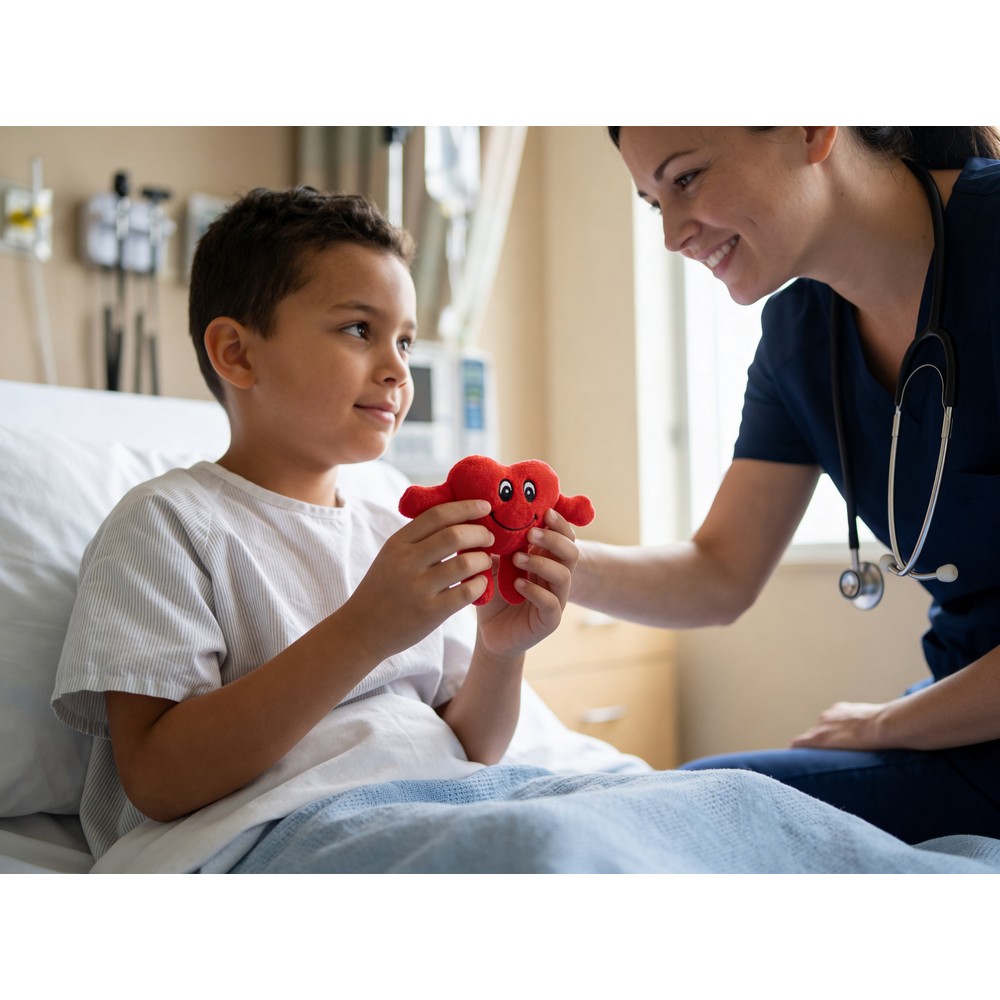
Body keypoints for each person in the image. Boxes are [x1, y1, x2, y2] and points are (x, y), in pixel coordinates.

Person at [51, 187, 580, 862]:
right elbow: (158, 779)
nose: (397, 370)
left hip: (443, 802)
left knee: (675, 808)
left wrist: (500, 653)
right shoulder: (166, 526)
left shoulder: (392, 530)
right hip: (282, 835)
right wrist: (364, 631)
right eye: (359, 329)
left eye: (405, 341)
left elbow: (473, 745)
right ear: (237, 353)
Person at [565, 126, 1000, 845]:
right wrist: (549, 560)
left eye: (686, 179)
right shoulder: (799, 339)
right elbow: (719, 573)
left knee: (682, 824)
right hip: (959, 729)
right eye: (654, 204)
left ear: (810, 128)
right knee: (670, 810)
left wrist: (888, 723)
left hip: (946, 724)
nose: (672, 235)